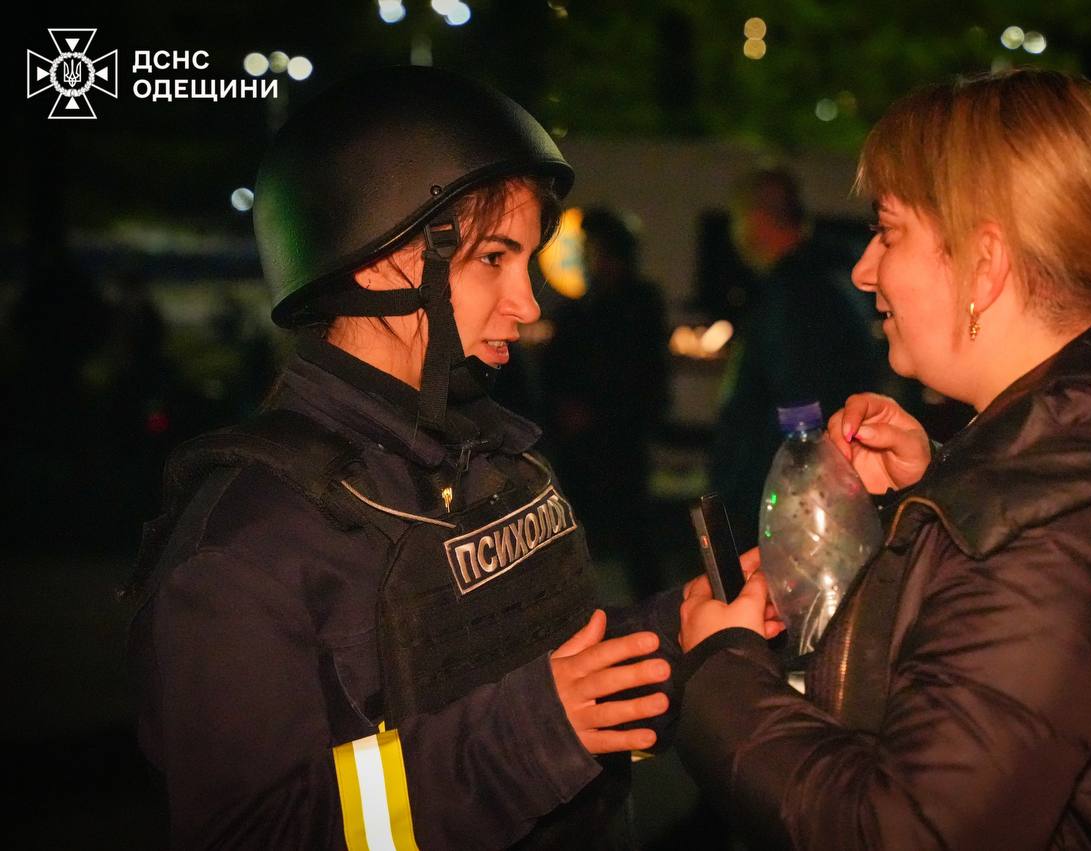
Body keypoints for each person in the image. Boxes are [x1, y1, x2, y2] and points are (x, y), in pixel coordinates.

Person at [675, 69, 1091, 849]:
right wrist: (946, 482)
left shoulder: (1059, 521)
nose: (864, 270)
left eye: (888, 231)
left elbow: (906, 831)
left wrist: (722, 672)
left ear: (985, 264)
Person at [126, 67, 684, 850]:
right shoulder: (244, 546)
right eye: (495, 258)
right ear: (383, 259)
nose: (528, 303)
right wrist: (532, 737)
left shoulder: (494, 461)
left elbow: (547, 661)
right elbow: (260, 830)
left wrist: (684, 627)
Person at [709, 167, 886, 544]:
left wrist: (784, 484)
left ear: (756, 218)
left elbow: (799, 397)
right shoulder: (828, 281)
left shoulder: (792, 294)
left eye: (739, 218)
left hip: (778, 500)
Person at [542, 208, 670, 598]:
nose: (586, 256)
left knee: (633, 541)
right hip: (584, 447)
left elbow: (644, 378)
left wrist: (597, 414)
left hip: (619, 441)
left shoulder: (637, 306)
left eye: (592, 247)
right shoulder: (580, 312)